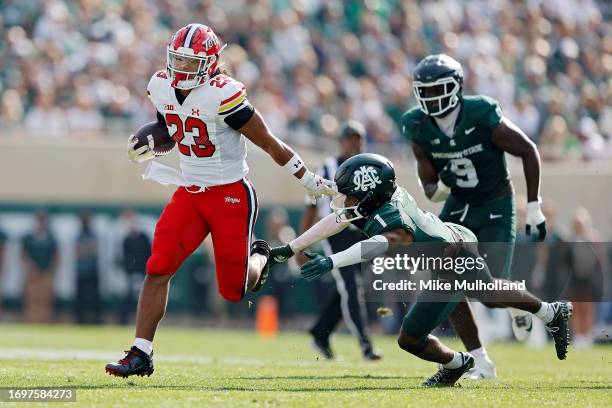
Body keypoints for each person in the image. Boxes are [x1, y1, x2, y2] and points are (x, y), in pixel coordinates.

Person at [105, 23, 336, 378]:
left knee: (234, 290)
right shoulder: (162, 85)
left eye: (189, 62)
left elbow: (270, 142)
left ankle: (260, 255)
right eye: (177, 60)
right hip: (191, 192)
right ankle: (141, 352)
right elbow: (171, 127)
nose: (180, 70)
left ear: (210, 64)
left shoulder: (223, 95)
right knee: (157, 267)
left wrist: (307, 177)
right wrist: (150, 143)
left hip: (230, 194)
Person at [269, 153, 572, 387]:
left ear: (370, 194)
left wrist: (331, 261)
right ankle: (527, 328)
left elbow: (377, 244)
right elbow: (337, 220)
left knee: (411, 338)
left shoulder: (391, 218)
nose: (345, 201)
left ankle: (460, 362)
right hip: (451, 242)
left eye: (351, 194)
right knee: (480, 295)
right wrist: (291, 247)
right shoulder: (378, 199)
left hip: (452, 258)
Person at [402, 54, 547, 379]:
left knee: (491, 293)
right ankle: (481, 361)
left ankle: (516, 302)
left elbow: (528, 149)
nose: (431, 98)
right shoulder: (417, 124)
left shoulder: (480, 112)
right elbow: (428, 182)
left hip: (496, 204)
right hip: (457, 206)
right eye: (424, 91)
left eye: (438, 89)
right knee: (448, 282)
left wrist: (534, 205)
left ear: (456, 87)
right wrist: (437, 189)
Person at [297, 121, 380, 360]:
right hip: (336, 231)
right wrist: (301, 244)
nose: (354, 143)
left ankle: (320, 334)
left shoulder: (369, 167)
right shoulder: (326, 168)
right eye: (350, 139)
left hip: (362, 231)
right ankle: (366, 346)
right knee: (351, 287)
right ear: (341, 141)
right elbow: (311, 206)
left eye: (358, 139)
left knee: (348, 288)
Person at [21, 210, 58, 323]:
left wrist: (51, 270)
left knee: (45, 300)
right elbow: (23, 254)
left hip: (46, 273)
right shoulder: (28, 237)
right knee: (32, 300)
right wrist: (29, 267)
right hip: (32, 274)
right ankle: (31, 321)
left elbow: (56, 255)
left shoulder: (51, 237)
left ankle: (45, 322)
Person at [118, 209, 151, 325]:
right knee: (129, 299)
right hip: (132, 275)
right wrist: (131, 273)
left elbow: (148, 255)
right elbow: (126, 259)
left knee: (145, 300)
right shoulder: (126, 240)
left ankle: (146, 322)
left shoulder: (143, 237)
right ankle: (124, 321)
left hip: (143, 274)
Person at [74, 211, 102, 324]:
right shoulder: (80, 235)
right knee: (80, 298)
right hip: (81, 271)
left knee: (95, 298)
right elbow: (78, 251)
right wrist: (87, 249)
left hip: (92, 270)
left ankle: (96, 319)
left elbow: (94, 249)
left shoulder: (92, 234)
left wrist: (85, 249)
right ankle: (80, 319)